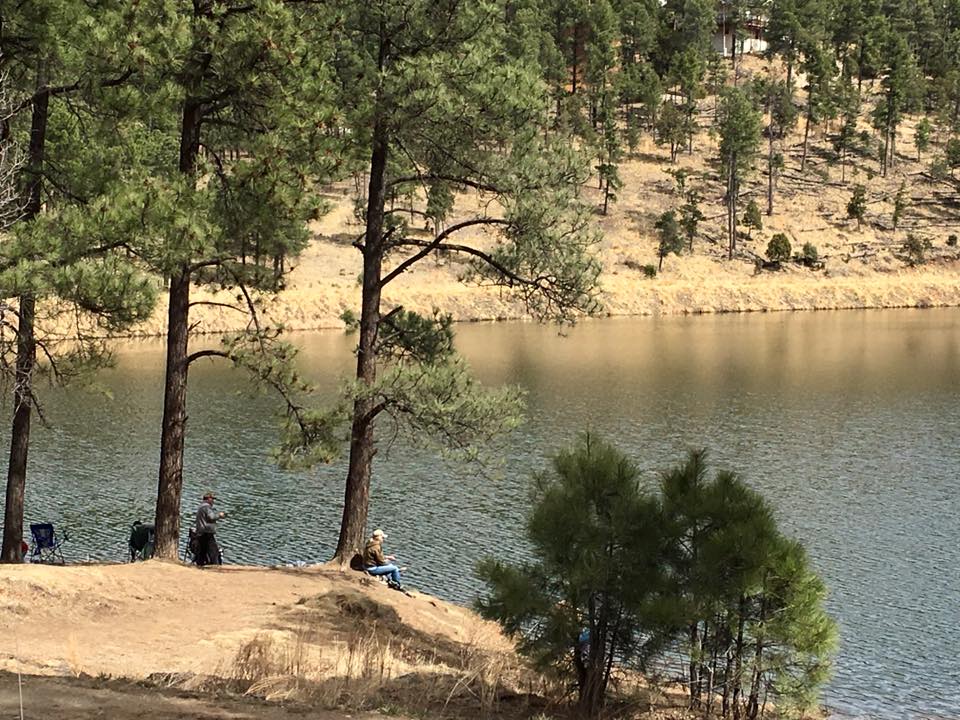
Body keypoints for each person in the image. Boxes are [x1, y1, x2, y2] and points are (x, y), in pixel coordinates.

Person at [194, 491, 226, 567]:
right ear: (208, 499)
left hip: (201, 531)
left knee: (202, 550)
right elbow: (211, 517)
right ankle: (216, 566)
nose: (213, 501)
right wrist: (219, 515)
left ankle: (200, 565)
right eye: (212, 499)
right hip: (206, 532)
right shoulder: (206, 507)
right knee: (213, 551)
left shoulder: (201, 506)